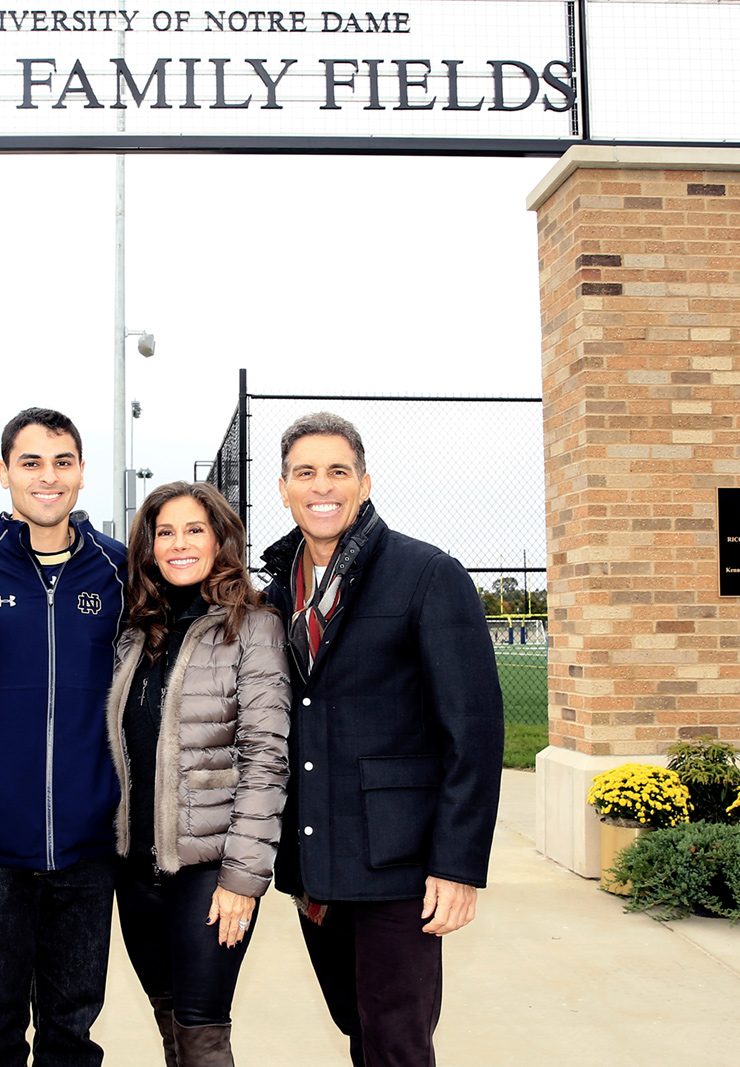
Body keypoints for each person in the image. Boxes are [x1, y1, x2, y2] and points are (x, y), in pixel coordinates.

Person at [259, 413, 504, 1067]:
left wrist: (458, 865)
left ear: (364, 483)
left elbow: (473, 730)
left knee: (397, 1038)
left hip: (399, 863)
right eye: (305, 472)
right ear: (283, 488)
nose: (322, 486)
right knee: (358, 1025)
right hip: (316, 861)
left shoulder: (426, 573)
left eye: (338, 471)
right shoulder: (277, 589)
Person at [0, 407, 127, 1067]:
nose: (49, 477)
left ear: (80, 472)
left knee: (71, 1033)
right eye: (32, 462)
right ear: (4, 472)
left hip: (88, 844)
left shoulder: (120, 570)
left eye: (63, 461)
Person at [105, 482, 290, 1067]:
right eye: (165, 532)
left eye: (194, 530)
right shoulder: (136, 632)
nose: (179, 544)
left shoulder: (253, 627)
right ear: (149, 546)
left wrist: (243, 876)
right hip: (135, 869)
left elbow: (266, 757)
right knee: (171, 1025)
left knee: (202, 1028)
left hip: (208, 872)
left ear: (220, 540)